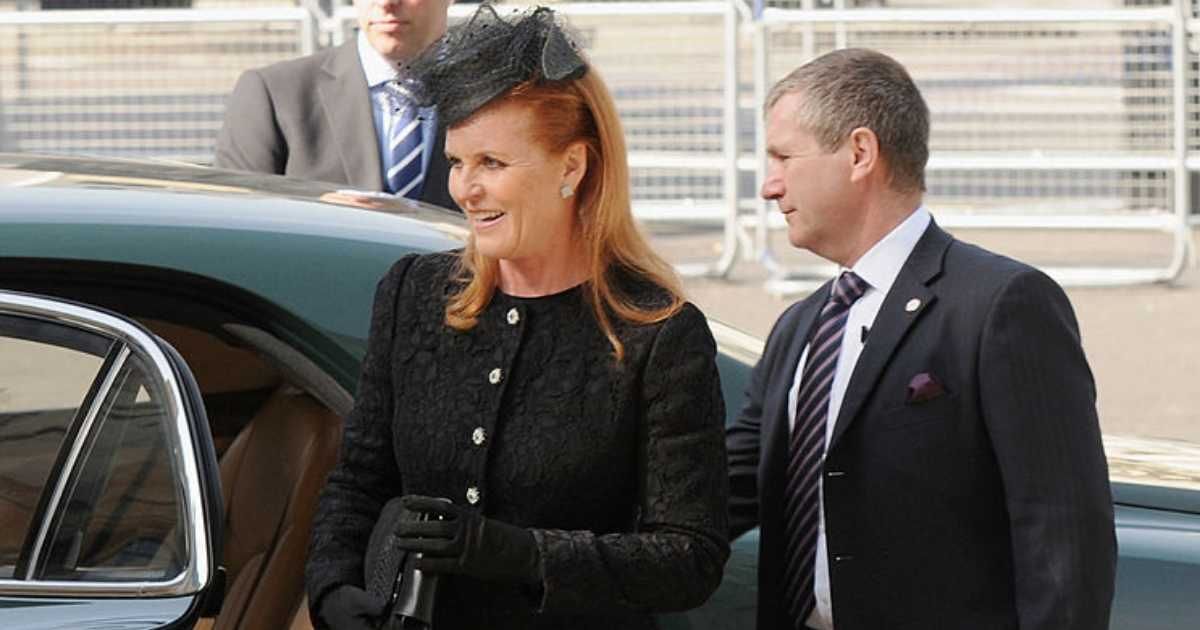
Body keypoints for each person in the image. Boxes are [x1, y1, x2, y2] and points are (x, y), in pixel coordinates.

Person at [304, 5, 730, 630]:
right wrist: (332, 588)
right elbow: (359, 480)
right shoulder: (413, 294)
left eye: (492, 164)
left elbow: (690, 558)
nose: (464, 190)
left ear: (572, 167)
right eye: (455, 161)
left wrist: (520, 553)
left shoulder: (656, 332)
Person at [726, 48, 1117, 630]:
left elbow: (1062, 538)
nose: (769, 185)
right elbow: (720, 493)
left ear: (860, 153)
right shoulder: (800, 328)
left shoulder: (1002, 305)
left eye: (783, 156)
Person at [214, 0, 456, 209]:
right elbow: (235, 220)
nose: (386, 3)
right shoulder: (274, 93)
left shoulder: (490, 94)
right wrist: (320, 216)